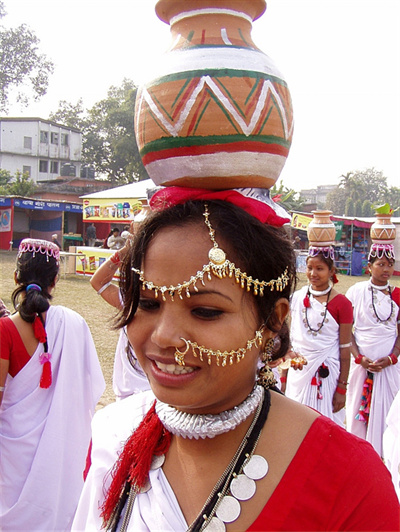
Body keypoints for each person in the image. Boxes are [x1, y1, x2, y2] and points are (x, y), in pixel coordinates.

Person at [73, 199, 398, 532]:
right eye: (147, 303)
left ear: (272, 320)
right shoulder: (113, 435)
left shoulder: (349, 479)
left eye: (205, 311)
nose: (164, 336)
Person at [0, 238, 105, 531]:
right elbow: (91, 389)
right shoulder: (75, 324)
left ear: (16, 277)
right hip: (60, 454)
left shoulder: (5, 330)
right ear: (56, 280)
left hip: (11, 455)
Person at [282, 244, 353, 426]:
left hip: (326, 377)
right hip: (298, 373)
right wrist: (284, 378)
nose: (313, 273)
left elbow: (345, 351)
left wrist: (342, 389)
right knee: (295, 425)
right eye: (310, 268)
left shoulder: (342, 304)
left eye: (320, 268)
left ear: (331, 271)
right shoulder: (297, 298)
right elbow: (291, 340)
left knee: (324, 427)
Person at [346, 241, 400, 457]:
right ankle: (359, 458)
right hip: (361, 367)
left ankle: (385, 458)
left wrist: (392, 359)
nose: (386, 269)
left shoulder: (397, 295)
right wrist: (359, 358)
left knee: (389, 417)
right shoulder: (356, 291)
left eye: (390, 264)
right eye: (381, 264)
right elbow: (347, 332)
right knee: (356, 414)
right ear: (369, 267)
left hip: (389, 369)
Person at [90, 224, 149, 400]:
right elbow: (98, 282)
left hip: (156, 395)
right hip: (129, 396)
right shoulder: (131, 299)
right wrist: (125, 251)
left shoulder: (178, 300)